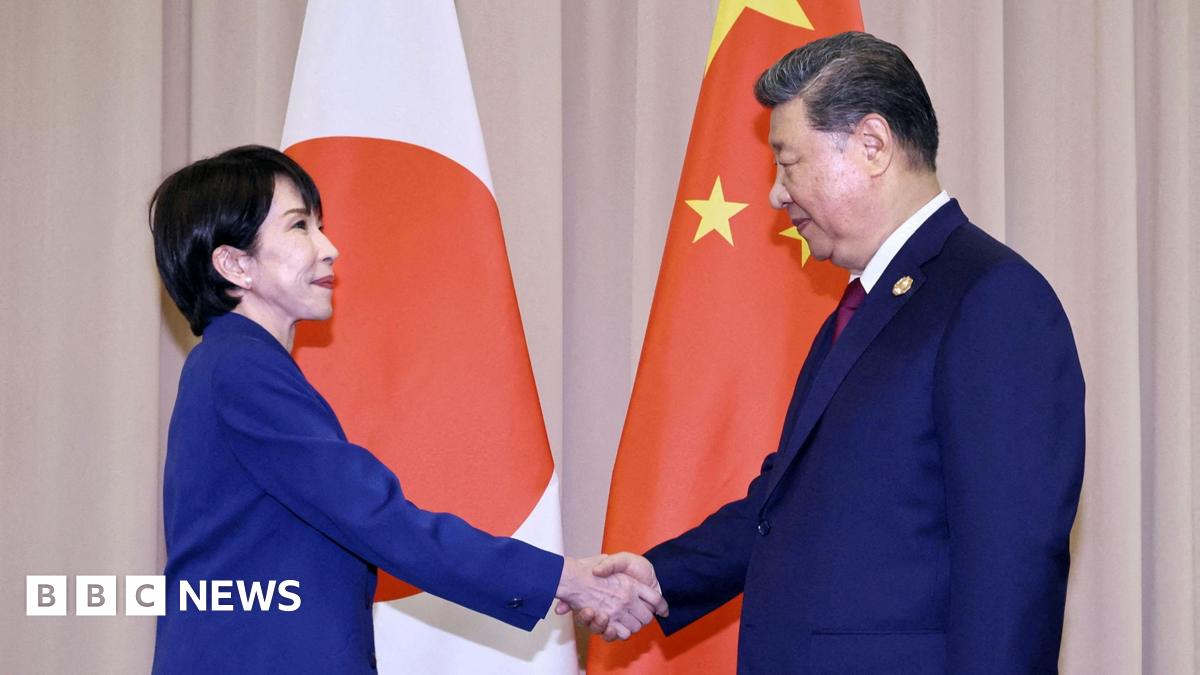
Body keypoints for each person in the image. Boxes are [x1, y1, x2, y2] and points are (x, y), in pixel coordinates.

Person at [583, 32, 1085, 672]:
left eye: (787, 162)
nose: (776, 193)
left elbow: (1012, 565)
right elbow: (786, 503)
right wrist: (661, 578)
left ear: (872, 145)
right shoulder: (862, 309)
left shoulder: (992, 298)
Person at [147, 145, 666, 673]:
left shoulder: (232, 364)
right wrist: (564, 579)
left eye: (320, 226)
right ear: (235, 264)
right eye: (300, 226)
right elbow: (375, 517)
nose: (329, 248)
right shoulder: (241, 367)